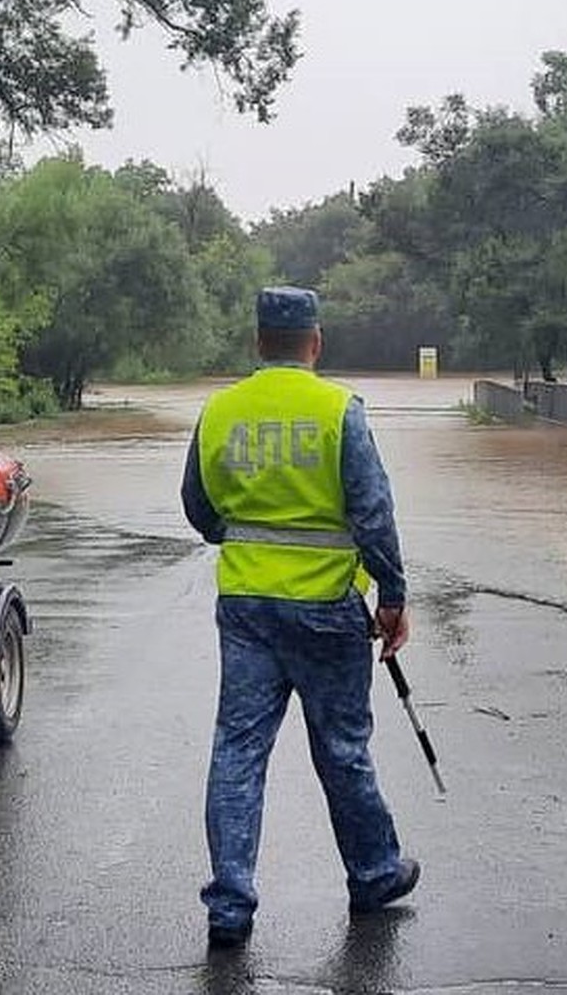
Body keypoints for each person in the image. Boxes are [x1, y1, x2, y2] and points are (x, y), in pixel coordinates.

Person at [181, 285, 418, 949]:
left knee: (238, 750)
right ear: (315, 342)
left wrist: (247, 536)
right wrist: (392, 597)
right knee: (342, 748)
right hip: (325, 610)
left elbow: (198, 510)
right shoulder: (340, 411)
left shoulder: (221, 411)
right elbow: (373, 513)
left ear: (258, 342)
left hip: (247, 608)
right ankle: (373, 874)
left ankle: (230, 904)